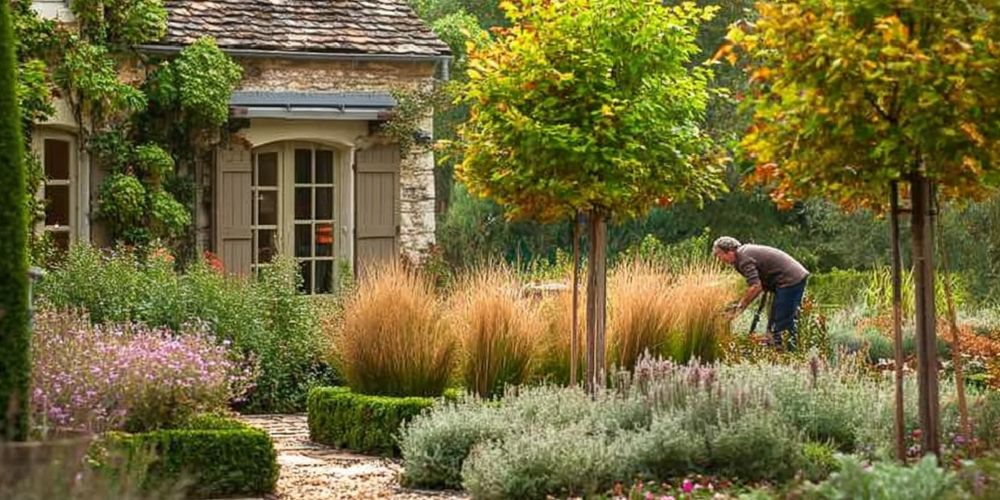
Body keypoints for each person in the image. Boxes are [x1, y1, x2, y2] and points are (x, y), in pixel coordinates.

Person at [712, 236, 810, 350]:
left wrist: (740, 307)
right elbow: (759, 282)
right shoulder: (743, 254)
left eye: (719, 255)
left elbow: (755, 286)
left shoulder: (743, 258)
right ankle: (779, 348)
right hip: (788, 280)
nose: (719, 259)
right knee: (777, 320)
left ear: (729, 251)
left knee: (781, 322)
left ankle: (786, 352)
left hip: (790, 280)